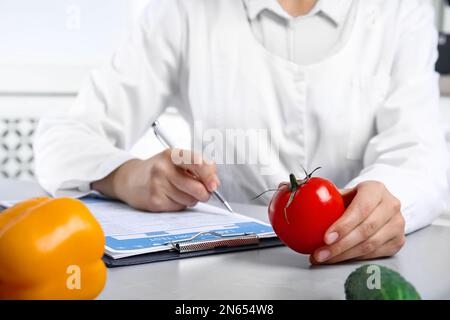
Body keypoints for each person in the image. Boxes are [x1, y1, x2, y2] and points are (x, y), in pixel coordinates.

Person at [34, 0, 449, 264]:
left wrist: (386, 199)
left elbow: (419, 154)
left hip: (361, 269)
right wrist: (128, 175)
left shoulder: (401, 11)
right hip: (225, 277)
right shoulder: (184, 11)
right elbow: (61, 139)